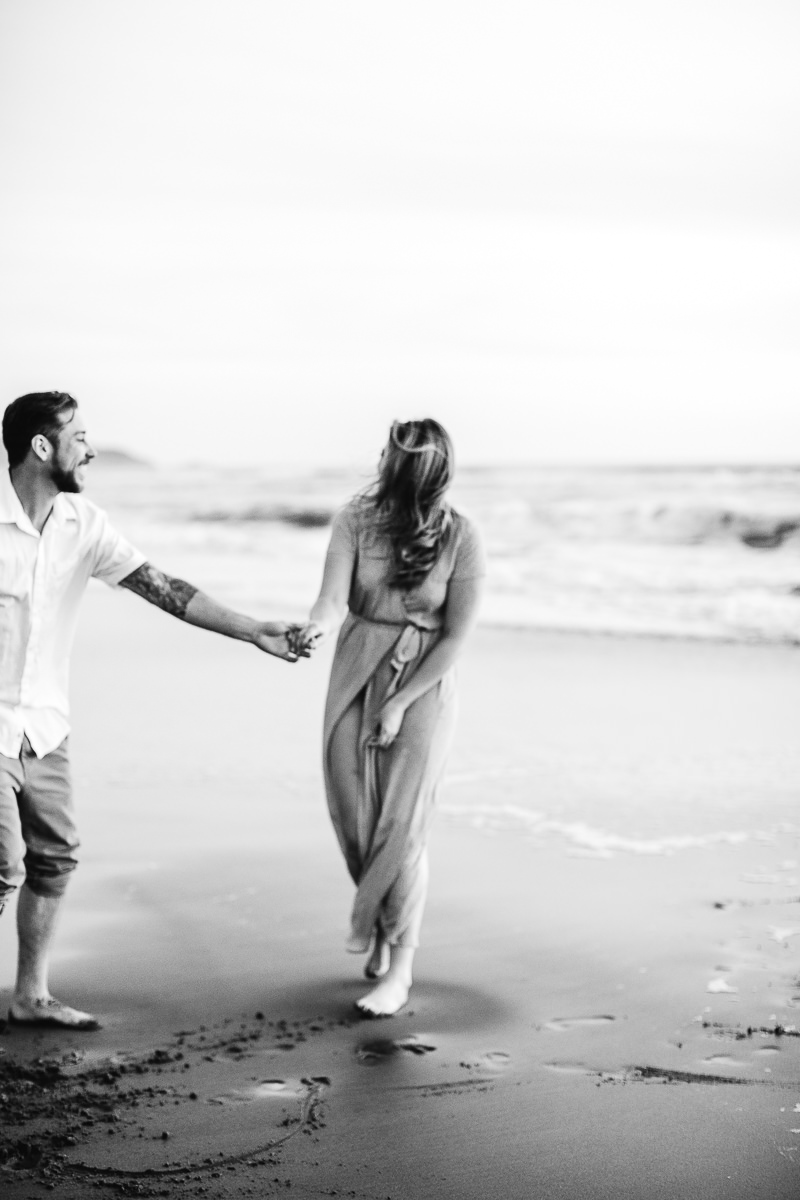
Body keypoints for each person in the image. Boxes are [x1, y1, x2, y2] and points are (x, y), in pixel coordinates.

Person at [0, 391, 306, 1031]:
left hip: (46, 727)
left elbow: (164, 589)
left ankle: (31, 995)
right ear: (41, 446)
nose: (90, 447)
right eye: (79, 436)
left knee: (55, 859)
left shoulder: (85, 526)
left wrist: (252, 630)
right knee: (2, 866)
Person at [299, 418, 484, 1016]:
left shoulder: (463, 536)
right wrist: (316, 627)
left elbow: (456, 636)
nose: (381, 461)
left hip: (425, 681)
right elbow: (331, 597)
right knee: (355, 814)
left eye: (391, 455)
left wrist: (400, 703)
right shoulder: (354, 519)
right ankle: (383, 920)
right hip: (356, 664)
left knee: (400, 825)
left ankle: (400, 967)